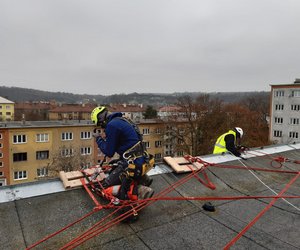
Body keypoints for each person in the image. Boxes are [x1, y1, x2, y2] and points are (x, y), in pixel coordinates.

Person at [90, 106, 155, 206]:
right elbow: (128, 143)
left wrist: (98, 139)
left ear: (101, 120)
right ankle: (142, 179)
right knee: (113, 170)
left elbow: (109, 152)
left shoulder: (112, 126)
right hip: (141, 159)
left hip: (132, 164)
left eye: (100, 125)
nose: (102, 128)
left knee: (105, 186)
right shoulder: (122, 120)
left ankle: (140, 191)